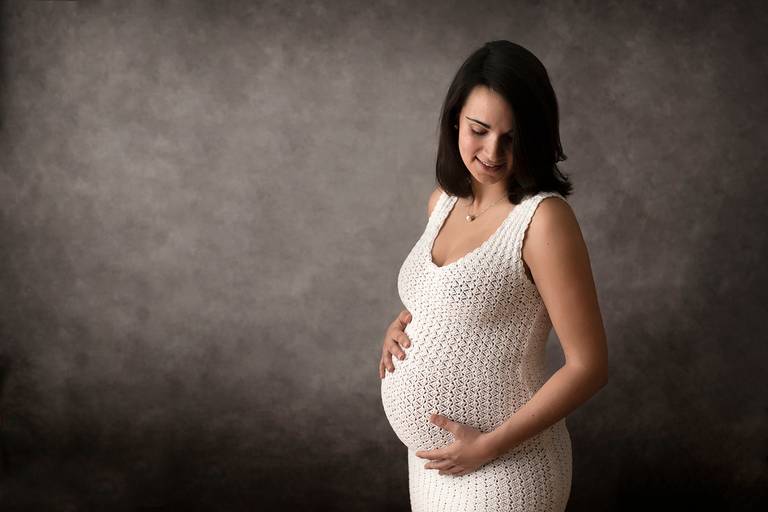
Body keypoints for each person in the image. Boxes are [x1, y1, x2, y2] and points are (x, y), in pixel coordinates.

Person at [378, 41, 608, 511]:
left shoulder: (542, 219)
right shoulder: (443, 199)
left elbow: (590, 366)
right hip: (433, 463)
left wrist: (488, 446)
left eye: (512, 137)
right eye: (478, 130)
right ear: (454, 120)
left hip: (506, 465)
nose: (492, 151)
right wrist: (402, 328)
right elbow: (449, 301)